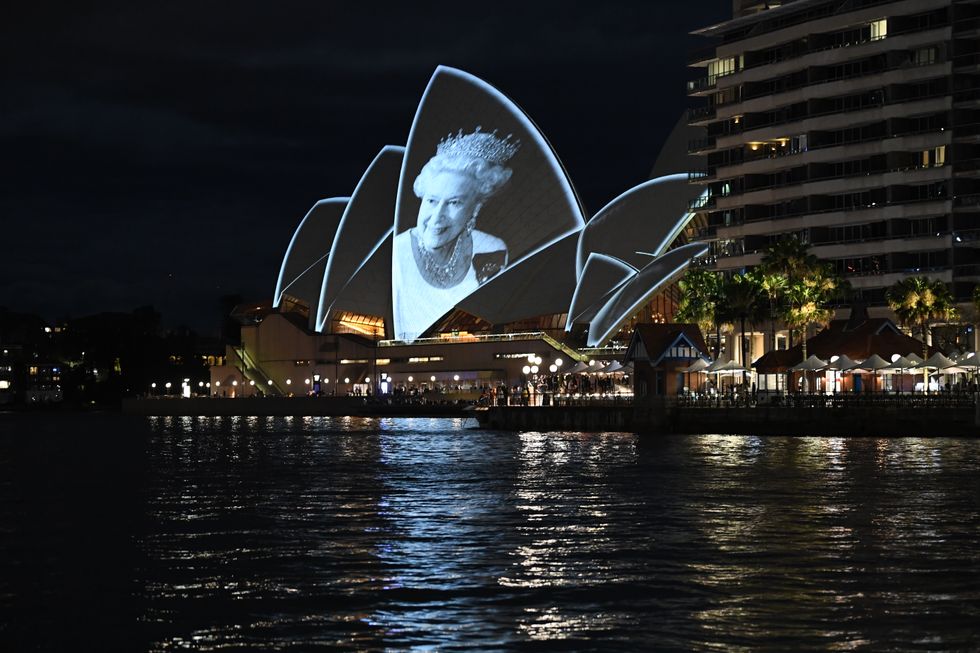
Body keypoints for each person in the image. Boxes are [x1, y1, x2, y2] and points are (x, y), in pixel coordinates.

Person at [393, 127, 519, 341]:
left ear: (475, 208)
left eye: (454, 202)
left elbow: (493, 318)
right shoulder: (396, 253)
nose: (437, 216)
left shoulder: (493, 248)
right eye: (431, 200)